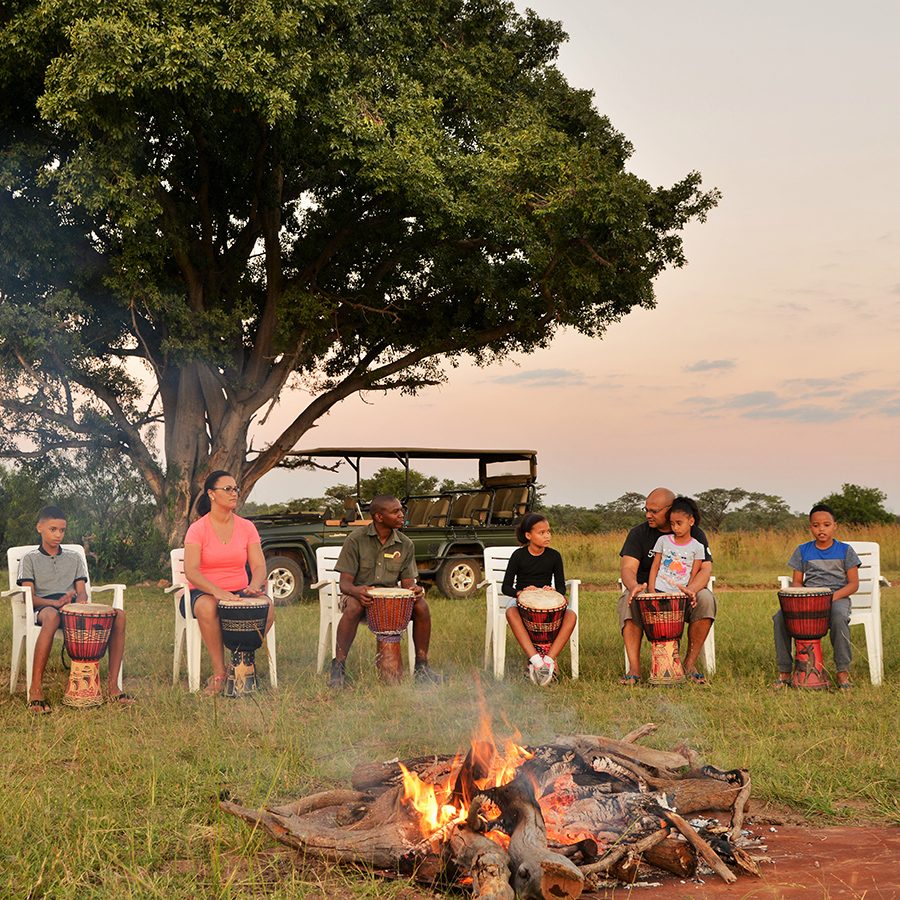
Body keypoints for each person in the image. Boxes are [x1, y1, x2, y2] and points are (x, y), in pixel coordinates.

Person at [17, 505, 131, 713]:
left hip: (71, 609)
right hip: (44, 609)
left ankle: (113, 687)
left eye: (62, 530)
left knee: (120, 615)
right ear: (39, 528)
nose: (58, 535)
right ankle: (35, 690)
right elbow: (29, 598)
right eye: (53, 529)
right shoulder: (30, 559)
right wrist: (54, 603)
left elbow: (82, 591)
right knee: (51, 617)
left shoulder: (74, 558)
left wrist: (78, 603)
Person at [330, 494, 444, 687]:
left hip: (391, 604)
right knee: (354, 608)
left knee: (422, 606)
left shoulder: (406, 544)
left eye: (401, 510)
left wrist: (414, 590)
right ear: (378, 517)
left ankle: (422, 667)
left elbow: (408, 584)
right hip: (359, 597)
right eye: (395, 511)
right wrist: (358, 592)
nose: (402, 515)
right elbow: (345, 585)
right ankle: (338, 668)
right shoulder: (355, 540)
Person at [183, 470, 274, 696]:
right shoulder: (198, 529)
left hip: (240, 591)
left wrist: (254, 585)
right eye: (228, 489)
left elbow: (259, 566)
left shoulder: (246, 527)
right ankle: (219, 674)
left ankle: (241, 663)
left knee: (268, 606)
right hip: (203, 591)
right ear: (212, 494)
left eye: (236, 489)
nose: (234, 493)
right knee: (208, 606)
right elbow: (191, 571)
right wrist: (218, 591)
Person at [618, 487, 715, 685]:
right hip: (648, 591)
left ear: (670, 509)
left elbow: (705, 569)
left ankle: (689, 664)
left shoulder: (695, 533)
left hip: (685, 594)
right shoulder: (639, 533)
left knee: (706, 599)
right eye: (646, 510)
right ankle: (634, 669)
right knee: (628, 600)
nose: (648, 515)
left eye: (654, 511)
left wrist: (692, 590)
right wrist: (635, 586)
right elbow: (628, 568)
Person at [773, 503, 859, 690]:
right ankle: (785, 672)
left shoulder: (845, 551)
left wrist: (830, 598)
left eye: (826, 525)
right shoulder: (803, 550)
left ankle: (842, 672)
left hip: (837, 598)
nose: (821, 529)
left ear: (835, 525)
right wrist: (804, 598)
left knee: (838, 617)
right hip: (809, 599)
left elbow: (853, 584)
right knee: (780, 617)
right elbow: (797, 582)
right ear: (810, 527)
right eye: (816, 525)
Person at [502, 513, 576, 685]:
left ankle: (548, 661)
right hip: (522, 601)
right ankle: (535, 660)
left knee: (571, 616)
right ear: (528, 535)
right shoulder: (518, 556)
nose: (547, 536)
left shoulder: (554, 556)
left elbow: (561, 588)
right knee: (511, 611)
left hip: (547, 602)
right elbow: (505, 587)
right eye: (541, 533)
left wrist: (552, 591)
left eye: (548, 532)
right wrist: (520, 593)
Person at [647, 497, 706, 596]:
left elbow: (693, 574)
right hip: (659, 589)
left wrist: (688, 592)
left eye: (679, 523)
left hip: (681, 593)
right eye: (672, 524)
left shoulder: (698, 547)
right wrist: (652, 590)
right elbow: (655, 566)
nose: (675, 528)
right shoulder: (663, 540)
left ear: (691, 521)